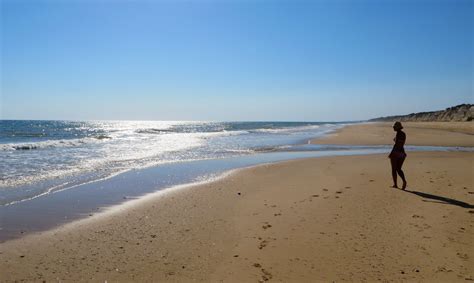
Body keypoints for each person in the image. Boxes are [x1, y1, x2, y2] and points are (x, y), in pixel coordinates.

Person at [389, 121, 407, 189]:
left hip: (396, 153)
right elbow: (401, 143)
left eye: (394, 127)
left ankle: (395, 185)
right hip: (402, 153)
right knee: (399, 169)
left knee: (394, 169)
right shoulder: (403, 134)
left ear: (397, 127)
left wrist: (391, 153)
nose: (393, 128)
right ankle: (404, 181)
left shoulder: (398, 134)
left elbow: (396, 145)